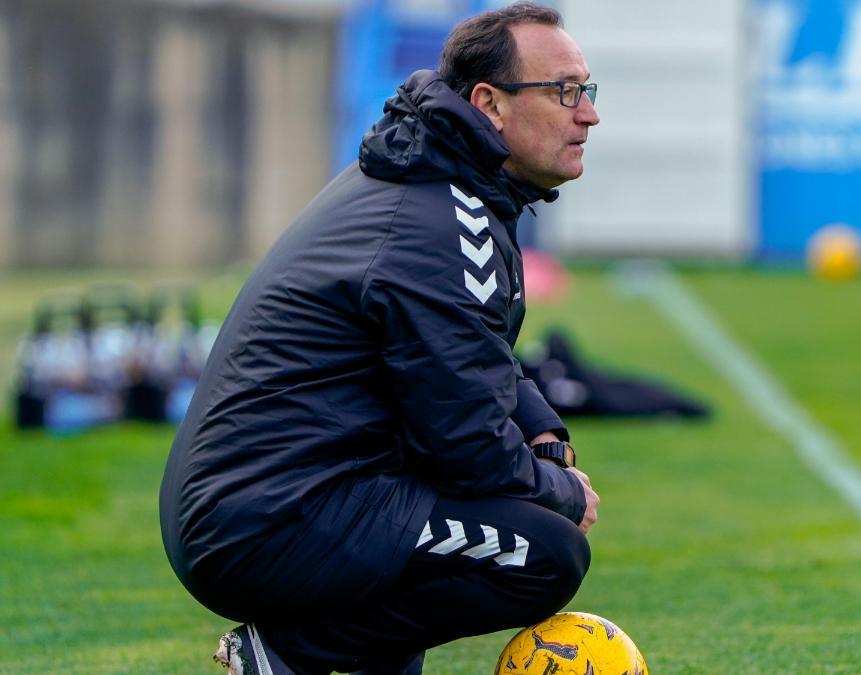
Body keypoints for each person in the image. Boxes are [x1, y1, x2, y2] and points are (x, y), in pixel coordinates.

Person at [158, 3, 601, 673]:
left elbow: (472, 354)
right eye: (564, 91)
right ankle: (284, 653)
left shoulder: (443, 181)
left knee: (439, 506)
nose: (587, 114)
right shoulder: (441, 214)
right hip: (268, 520)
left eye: (587, 91)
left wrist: (544, 435)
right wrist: (561, 491)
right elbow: (469, 446)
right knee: (544, 550)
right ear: (490, 104)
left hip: (284, 498)